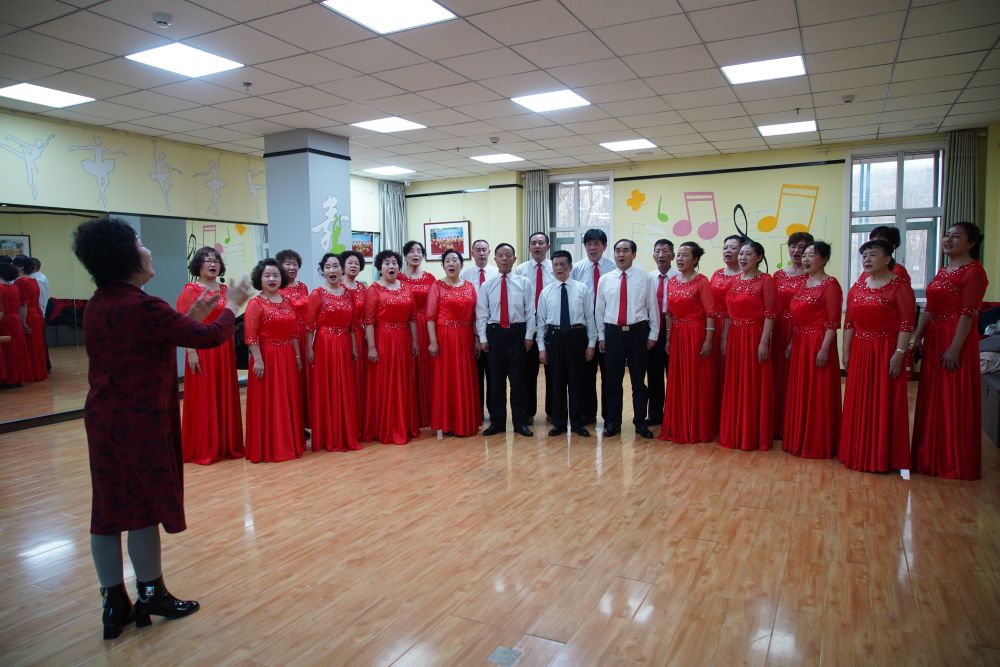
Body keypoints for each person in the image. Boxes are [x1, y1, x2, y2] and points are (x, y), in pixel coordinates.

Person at [72, 218, 251, 640]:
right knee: (145, 508)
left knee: (107, 510)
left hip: (104, 419)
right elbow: (207, 338)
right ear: (127, 257)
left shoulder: (99, 303)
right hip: (142, 420)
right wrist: (233, 305)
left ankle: (113, 602)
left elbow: (156, 338)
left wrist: (192, 315)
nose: (148, 249)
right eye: (140, 243)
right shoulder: (142, 306)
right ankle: (151, 592)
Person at [911, 222, 989, 479]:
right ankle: (929, 455)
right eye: (947, 235)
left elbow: (968, 313)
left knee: (951, 394)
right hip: (935, 335)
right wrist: (918, 338)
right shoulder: (944, 270)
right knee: (933, 393)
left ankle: (952, 460)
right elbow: (930, 309)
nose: (948, 239)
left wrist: (955, 349)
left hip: (956, 336)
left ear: (971, 243)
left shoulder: (975, 271)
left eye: (956, 237)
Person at [839, 239, 915, 473]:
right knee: (858, 399)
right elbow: (849, 323)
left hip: (885, 349)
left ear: (887, 259)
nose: (867, 259)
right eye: (864, 256)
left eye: (872, 255)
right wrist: (846, 351)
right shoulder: (858, 286)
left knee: (883, 400)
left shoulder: (899, 287)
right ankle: (856, 451)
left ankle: (882, 456)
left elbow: (907, 324)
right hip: (861, 348)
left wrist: (899, 353)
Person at [175, 247, 244, 465]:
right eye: (207, 260)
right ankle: (205, 446)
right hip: (202, 349)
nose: (212, 264)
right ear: (198, 265)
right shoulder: (190, 290)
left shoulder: (225, 290)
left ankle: (226, 444)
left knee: (224, 393)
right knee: (205, 396)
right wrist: (191, 352)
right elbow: (184, 325)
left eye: (216, 260)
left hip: (223, 349)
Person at [782, 242, 842, 458]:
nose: (805, 259)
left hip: (818, 342)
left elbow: (833, 322)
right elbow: (798, 318)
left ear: (824, 259)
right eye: (804, 255)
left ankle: (817, 442)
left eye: (811, 255)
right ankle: (798, 438)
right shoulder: (803, 284)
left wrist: (825, 349)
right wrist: (791, 342)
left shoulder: (830, 285)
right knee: (800, 390)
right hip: (800, 342)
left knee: (818, 391)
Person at [595, 239, 659, 439]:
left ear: (634, 254)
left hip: (638, 333)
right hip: (613, 334)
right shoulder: (605, 279)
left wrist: (653, 334)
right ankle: (613, 422)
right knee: (612, 382)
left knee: (639, 382)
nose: (621, 254)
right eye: (617, 251)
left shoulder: (644, 278)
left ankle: (640, 422)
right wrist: (601, 336)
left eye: (625, 250)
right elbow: (599, 310)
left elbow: (652, 307)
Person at [244, 259, 306, 463]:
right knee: (269, 401)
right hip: (267, 357)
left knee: (287, 399)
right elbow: (251, 335)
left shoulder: (287, 301)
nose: (272, 279)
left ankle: (289, 443)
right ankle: (270, 446)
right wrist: (258, 359)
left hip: (287, 356)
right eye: (267, 276)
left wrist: (297, 356)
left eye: (275, 275)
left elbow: (293, 332)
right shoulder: (255, 303)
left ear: (282, 278)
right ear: (259, 279)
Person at [718, 241, 776, 451]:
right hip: (735, 336)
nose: (742, 258)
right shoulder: (734, 281)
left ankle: (752, 435)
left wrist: (764, 342)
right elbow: (727, 314)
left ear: (759, 257)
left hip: (754, 336)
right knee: (735, 383)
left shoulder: (766, 280)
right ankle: (735, 431)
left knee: (752, 383)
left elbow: (770, 314)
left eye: (748, 254)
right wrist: (725, 339)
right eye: (741, 253)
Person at [657, 242, 716, 444]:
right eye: (679, 255)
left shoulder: (702, 281)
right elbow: (669, 314)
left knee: (696, 380)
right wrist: (668, 338)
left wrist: (708, 340)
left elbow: (710, 313)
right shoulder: (673, 281)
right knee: (678, 379)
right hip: (678, 335)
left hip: (696, 333)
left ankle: (695, 427)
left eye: (685, 255)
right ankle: (678, 424)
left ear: (695, 259)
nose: (680, 259)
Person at [537, 250, 597, 437]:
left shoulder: (582, 289)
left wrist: (591, 343)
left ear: (570, 267)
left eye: (563, 264)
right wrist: (541, 348)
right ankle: (559, 422)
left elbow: (590, 317)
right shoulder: (546, 292)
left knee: (577, 381)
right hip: (554, 338)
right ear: (552, 268)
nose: (559, 268)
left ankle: (578, 422)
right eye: (555, 265)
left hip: (577, 337)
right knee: (557, 382)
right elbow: (540, 323)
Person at [477, 243, 535, 437]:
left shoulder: (524, 283)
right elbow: (482, 314)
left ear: (514, 259)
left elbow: (530, 311)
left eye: (508, 255)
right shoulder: (487, 285)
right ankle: (497, 422)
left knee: (518, 381)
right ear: (495, 259)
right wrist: (483, 338)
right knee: (495, 382)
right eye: (500, 255)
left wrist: (529, 335)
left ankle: (520, 422)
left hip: (517, 333)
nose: (504, 258)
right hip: (495, 335)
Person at [364, 250, 420, 445]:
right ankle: (386, 427)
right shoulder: (374, 289)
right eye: (387, 263)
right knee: (385, 383)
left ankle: (403, 424)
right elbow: (368, 321)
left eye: (394, 263)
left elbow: (412, 318)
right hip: (383, 339)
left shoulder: (406, 287)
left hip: (403, 339)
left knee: (402, 382)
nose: (391, 266)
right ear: (380, 268)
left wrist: (414, 341)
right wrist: (372, 346)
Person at [306, 253, 361, 452]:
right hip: (324, 344)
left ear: (341, 269)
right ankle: (328, 435)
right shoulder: (317, 294)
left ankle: (345, 432)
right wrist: (309, 349)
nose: (332, 270)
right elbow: (309, 326)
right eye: (328, 267)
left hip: (344, 343)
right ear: (323, 271)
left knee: (344, 386)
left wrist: (354, 347)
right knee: (326, 387)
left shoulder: (348, 294)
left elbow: (353, 324)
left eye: (335, 266)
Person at [427, 249, 481, 437]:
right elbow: (430, 317)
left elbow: (474, 316)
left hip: (465, 337)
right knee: (446, 378)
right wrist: (433, 341)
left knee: (464, 377)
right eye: (447, 261)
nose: (451, 264)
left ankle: (465, 421)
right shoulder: (437, 286)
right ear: (443, 265)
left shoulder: (469, 286)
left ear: (461, 264)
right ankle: (447, 423)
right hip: (445, 337)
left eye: (455, 260)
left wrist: (476, 338)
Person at [571, 228, 616, 427]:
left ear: (604, 246)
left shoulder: (613, 268)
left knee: (609, 376)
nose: (592, 247)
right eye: (589, 244)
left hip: (608, 329)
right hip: (585, 330)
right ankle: (587, 415)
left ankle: (609, 417)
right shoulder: (577, 269)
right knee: (585, 376)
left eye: (596, 243)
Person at [771, 231, 813, 439]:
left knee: (796, 377)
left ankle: (794, 425)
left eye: (802, 247)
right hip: (778, 328)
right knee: (776, 376)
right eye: (793, 246)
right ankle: (776, 425)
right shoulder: (778, 275)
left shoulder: (811, 277)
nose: (796, 250)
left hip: (800, 329)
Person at [516, 231, 555, 424]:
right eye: (533, 243)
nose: (537, 246)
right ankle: (528, 413)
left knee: (553, 373)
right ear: (529, 247)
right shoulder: (521, 270)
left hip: (551, 326)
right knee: (528, 373)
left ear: (548, 246)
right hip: (528, 327)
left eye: (541, 243)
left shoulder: (555, 267)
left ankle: (554, 412)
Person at [399, 240, 436, 429]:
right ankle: (410, 414)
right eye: (411, 251)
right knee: (407, 370)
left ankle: (430, 413)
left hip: (426, 325)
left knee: (428, 368)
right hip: (404, 326)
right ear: (405, 256)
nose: (415, 254)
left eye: (419, 251)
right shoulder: (397, 277)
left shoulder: (430, 278)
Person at [460, 239, 498, 420]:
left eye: (484, 250)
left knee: (493, 375)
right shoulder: (465, 276)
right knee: (475, 375)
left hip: (493, 330)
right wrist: (475, 335)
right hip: (472, 331)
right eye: (478, 250)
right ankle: (476, 412)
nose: (481, 253)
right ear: (472, 253)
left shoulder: (497, 273)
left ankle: (494, 412)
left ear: (489, 252)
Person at [709, 235, 743, 421]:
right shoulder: (717, 273)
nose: (728, 251)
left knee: (731, 371)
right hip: (714, 326)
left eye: (733, 248)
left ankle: (730, 416)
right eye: (725, 247)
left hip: (735, 328)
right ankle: (714, 415)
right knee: (713, 371)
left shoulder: (745, 276)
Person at [646, 238, 679, 427]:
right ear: (653, 256)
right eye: (657, 251)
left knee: (675, 375)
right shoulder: (647, 278)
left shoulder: (680, 277)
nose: (661, 255)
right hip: (653, 331)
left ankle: (675, 414)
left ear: (673, 255)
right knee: (654, 375)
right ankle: (655, 414)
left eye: (665, 251)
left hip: (675, 332)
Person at [277, 249, 310, 428]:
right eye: (287, 264)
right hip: (288, 337)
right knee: (291, 379)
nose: (291, 267)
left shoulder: (303, 287)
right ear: (280, 266)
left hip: (304, 336)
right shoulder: (276, 288)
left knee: (305, 379)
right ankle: (291, 423)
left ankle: (304, 422)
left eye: (294, 264)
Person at [341, 250, 368, 426]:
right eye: (350, 263)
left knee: (360, 378)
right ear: (342, 266)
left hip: (360, 336)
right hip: (342, 337)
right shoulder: (336, 287)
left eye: (356, 263)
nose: (353, 266)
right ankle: (346, 420)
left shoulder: (362, 288)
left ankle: (360, 420)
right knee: (345, 378)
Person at [12, 255, 47, 381]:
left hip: (28, 315)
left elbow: (23, 304)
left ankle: (32, 374)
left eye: (14, 264)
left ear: (21, 267)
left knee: (30, 345)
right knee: (37, 345)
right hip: (36, 313)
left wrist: (22, 322)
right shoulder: (33, 280)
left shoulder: (20, 282)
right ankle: (39, 372)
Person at [0, 262, 30, 386]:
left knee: (8, 350)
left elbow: (1, 311)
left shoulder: (0, 288)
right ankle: (18, 377)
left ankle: (9, 379)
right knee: (16, 348)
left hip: (4, 321)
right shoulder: (15, 288)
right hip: (15, 318)